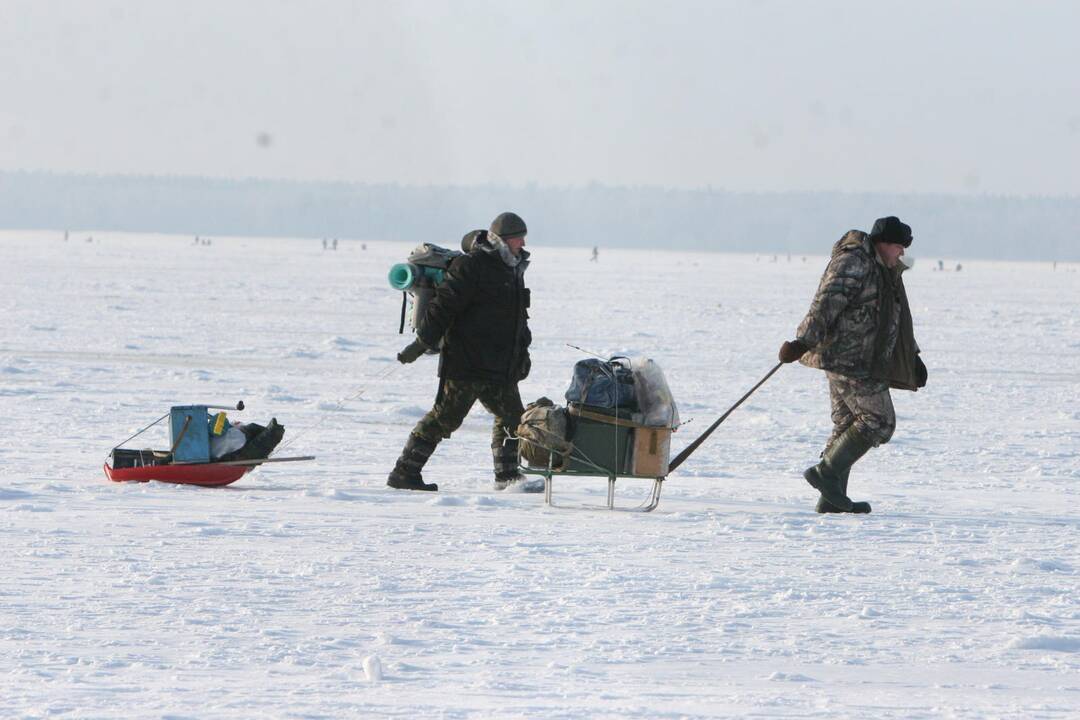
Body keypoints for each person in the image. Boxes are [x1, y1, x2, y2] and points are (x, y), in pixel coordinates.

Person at [778, 216, 927, 513]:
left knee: (846, 426)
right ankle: (826, 475)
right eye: (899, 246)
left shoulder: (884, 270)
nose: (902, 253)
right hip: (848, 358)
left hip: (865, 358)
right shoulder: (854, 262)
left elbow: (894, 317)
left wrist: (912, 357)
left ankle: (831, 500)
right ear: (885, 243)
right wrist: (802, 342)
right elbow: (826, 302)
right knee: (879, 421)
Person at [387, 211, 535, 492]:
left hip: (499, 366)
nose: (523, 243)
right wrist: (421, 344)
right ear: (502, 240)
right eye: (518, 238)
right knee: (444, 418)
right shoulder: (471, 266)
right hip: (466, 363)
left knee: (512, 418)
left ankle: (508, 477)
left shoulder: (513, 268)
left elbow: (517, 318)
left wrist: (521, 354)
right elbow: (443, 308)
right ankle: (404, 472)